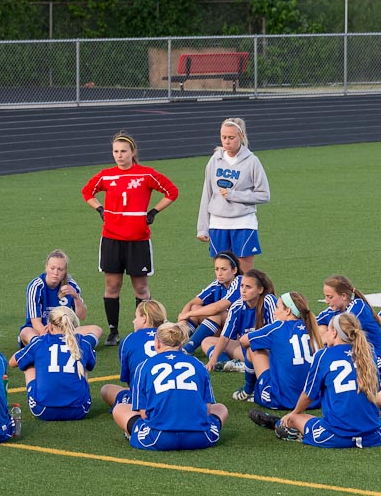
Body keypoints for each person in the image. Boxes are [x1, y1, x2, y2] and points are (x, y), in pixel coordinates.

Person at [82, 130, 179, 346]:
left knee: (141, 288)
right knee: (112, 285)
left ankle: (143, 330)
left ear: (133, 152)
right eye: (116, 151)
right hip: (111, 239)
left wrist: (153, 212)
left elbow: (172, 191)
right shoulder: (106, 175)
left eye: (123, 151)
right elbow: (87, 192)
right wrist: (100, 209)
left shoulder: (146, 174)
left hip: (138, 240)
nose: (119, 155)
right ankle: (113, 331)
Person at [250, 312, 381, 448]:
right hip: (374, 436)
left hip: (337, 436)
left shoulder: (323, 355)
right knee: (318, 418)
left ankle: (279, 423)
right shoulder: (368, 353)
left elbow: (308, 396)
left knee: (296, 418)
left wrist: (293, 414)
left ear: (334, 333)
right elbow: (376, 390)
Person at [111, 322, 228, 451]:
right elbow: (207, 409)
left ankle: (134, 432)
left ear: (157, 343)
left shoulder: (143, 366)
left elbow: (144, 415)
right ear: (181, 344)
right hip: (199, 437)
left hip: (160, 438)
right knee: (221, 408)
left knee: (120, 409)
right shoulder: (198, 364)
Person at [196, 118, 270, 274]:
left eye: (231, 137)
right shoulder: (214, 160)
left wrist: (234, 195)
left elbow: (264, 195)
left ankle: (246, 300)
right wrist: (202, 228)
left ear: (241, 137)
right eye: (223, 137)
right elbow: (207, 193)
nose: (226, 141)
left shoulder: (252, 161)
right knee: (223, 275)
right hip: (218, 224)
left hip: (243, 222)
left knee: (245, 276)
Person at [202, 269, 278, 402]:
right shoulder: (237, 306)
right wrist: (213, 360)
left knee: (253, 345)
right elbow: (225, 337)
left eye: (248, 287)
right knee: (207, 341)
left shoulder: (268, 300)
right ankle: (231, 364)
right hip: (248, 352)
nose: (243, 290)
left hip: (271, 353)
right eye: (242, 286)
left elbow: (276, 332)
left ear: (260, 290)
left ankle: (255, 389)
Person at [10, 306, 97, 421]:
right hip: (79, 410)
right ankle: (75, 397)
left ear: (49, 326)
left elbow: (12, 362)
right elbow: (91, 364)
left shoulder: (40, 342)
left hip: (44, 410)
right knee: (82, 366)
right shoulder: (83, 342)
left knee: (28, 363)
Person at [244, 291, 322, 411]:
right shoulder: (313, 327)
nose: (274, 312)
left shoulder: (277, 327)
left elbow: (244, 340)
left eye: (277, 307)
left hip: (283, 400)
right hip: (313, 400)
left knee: (253, 349)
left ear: (288, 311)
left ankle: (248, 390)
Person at [19, 249, 100, 346]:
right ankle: (55, 347)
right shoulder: (36, 287)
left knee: (96, 330)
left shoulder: (71, 285)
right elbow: (36, 322)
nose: (56, 272)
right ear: (46, 267)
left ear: (65, 271)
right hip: (41, 331)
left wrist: (76, 297)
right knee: (26, 332)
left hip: (64, 331)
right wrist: (48, 335)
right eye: (52, 268)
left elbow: (82, 316)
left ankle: (74, 347)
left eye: (60, 269)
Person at [100, 300, 168, 410]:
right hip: (174, 395)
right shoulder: (172, 337)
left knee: (106, 390)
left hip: (146, 401)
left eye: (136, 317)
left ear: (144, 318)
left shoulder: (128, 339)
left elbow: (129, 380)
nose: (133, 321)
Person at [317, 275, 381, 376]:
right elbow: (312, 324)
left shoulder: (358, 307)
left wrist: (320, 342)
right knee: (321, 328)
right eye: (325, 296)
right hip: (353, 356)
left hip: (374, 360)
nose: (327, 301)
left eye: (330, 297)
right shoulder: (335, 309)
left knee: (334, 334)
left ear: (343, 296)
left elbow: (341, 329)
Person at [177, 251, 242, 354]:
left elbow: (217, 308)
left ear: (234, 270)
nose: (219, 273)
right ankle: (175, 342)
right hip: (226, 329)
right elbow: (191, 303)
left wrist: (187, 314)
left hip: (240, 332)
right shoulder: (217, 284)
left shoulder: (240, 283)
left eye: (224, 269)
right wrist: (182, 322)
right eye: (217, 269)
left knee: (217, 314)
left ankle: (186, 349)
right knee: (195, 308)